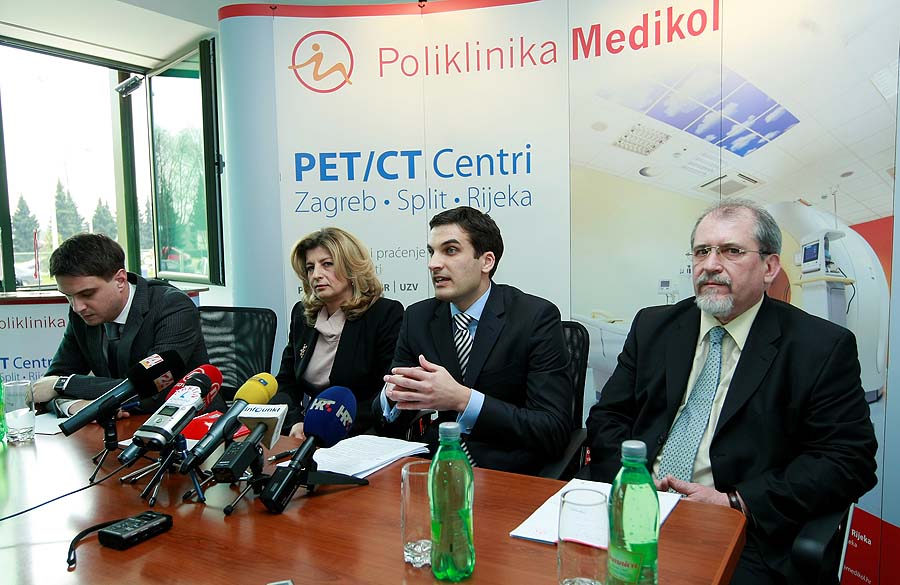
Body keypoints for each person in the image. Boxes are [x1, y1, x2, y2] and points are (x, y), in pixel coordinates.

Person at [580, 199, 877, 584]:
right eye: (702, 251)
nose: (711, 264)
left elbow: (848, 460)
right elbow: (608, 416)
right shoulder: (654, 326)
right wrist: (632, 481)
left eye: (732, 251)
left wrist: (736, 502)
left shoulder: (819, 346)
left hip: (742, 529)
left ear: (769, 267)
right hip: (636, 508)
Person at [379, 206, 572, 474]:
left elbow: (552, 429)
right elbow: (391, 423)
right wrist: (392, 397)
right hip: (436, 466)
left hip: (508, 472)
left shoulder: (534, 317)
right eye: (431, 252)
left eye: (450, 250)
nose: (433, 264)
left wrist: (463, 399)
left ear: (486, 262)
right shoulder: (418, 317)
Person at [32, 233, 214, 417]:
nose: (77, 307)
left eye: (87, 294)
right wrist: (74, 406)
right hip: (119, 425)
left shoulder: (173, 306)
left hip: (190, 424)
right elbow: (44, 389)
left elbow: (152, 391)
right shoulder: (81, 314)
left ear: (120, 280)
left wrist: (65, 385)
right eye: (68, 296)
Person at [271, 227, 403, 438]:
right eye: (310, 268)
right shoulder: (303, 315)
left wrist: (326, 428)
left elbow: (386, 394)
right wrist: (295, 422)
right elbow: (286, 383)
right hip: (308, 432)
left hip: (362, 434)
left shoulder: (384, 313)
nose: (316, 275)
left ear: (351, 268)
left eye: (327, 264)